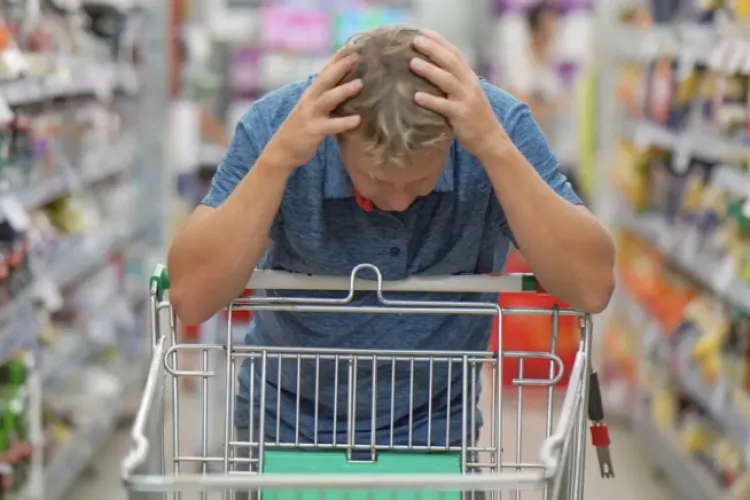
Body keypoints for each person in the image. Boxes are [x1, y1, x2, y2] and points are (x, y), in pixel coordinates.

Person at [167, 26, 615, 496]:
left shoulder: (493, 125)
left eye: (420, 182)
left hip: (438, 440)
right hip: (281, 433)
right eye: (377, 179)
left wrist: (495, 148)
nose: (399, 201)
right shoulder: (282, 125)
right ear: (337, 138)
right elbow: (192, 297)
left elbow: (591, 286)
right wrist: (277, 162)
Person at [504, 2, 563, 137]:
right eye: (550, 23)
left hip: (548, 133)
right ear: (537, 29)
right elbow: (520, 102)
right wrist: (548, 107)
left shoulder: (552, 58)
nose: (555, 28)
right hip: (524, 136)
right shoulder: (520, 60)